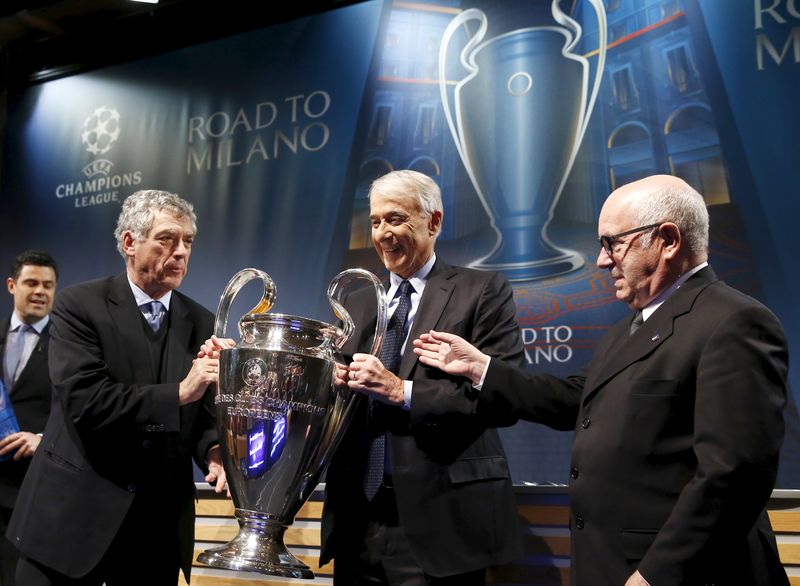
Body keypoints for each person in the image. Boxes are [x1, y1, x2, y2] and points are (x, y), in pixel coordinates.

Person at [413, 175, 790, 586]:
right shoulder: (629, 328)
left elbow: (734, 475)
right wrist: (482, 368)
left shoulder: (734, 322)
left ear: (667, 240)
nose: (601, 260)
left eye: (613, 243)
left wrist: (655, 575)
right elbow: (578, 400)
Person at [7, 190, 227, 585]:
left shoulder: (202, 321)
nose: (180, 252)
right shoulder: (79, 305)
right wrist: (178, 392)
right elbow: (86, 401)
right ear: (130, 242)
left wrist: (213, 451)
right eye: (166, 239)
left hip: (153, 534)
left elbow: (199, 417)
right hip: (71, 525)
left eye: (188, 242)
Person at [324, 170, 524, 585]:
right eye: (375, 222)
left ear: (433, 222)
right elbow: (334, 404)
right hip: (358, 522)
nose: (382, 234)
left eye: (395, 219)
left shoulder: (482, 291)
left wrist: (402, 390)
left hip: (443, 524)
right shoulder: (359, 304)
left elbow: (506, 394)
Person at [0, 250, 58, 586]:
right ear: (12, 285)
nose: (40, 291)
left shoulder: (69, 343)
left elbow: (78, 409)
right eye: (31, 283)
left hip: (36, 487)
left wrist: (43, 439)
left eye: (48, 285)